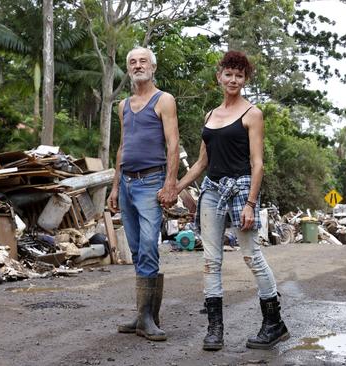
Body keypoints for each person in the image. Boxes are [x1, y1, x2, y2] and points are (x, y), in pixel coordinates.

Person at [173, 50, 289, 351]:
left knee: (252, 255)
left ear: (245, 79)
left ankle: (274, 323)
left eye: (239, 75)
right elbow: (200, 164)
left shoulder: (253, 114)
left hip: (241, 190)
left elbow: (258, 163)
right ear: (219, 76)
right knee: (211, 261)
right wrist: (175, 188)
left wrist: (251, 203)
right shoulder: (210, 115)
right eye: (229, 74)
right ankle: (215, 330)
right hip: (211, 190)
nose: (233, 79)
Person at [107, 47, 180, 342]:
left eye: (143, 61)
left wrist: (171, 184)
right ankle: (144, 314)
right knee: (137, 250)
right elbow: (122, 147)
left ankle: (148, 317)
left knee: (149, 246)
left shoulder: (164, 100)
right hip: (126, 184)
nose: (138, 65)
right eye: (133, 62)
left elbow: (173, 144)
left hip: (152, 182)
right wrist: (114, 187)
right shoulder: (124, 105)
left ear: (153, 66)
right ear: (128, 69)